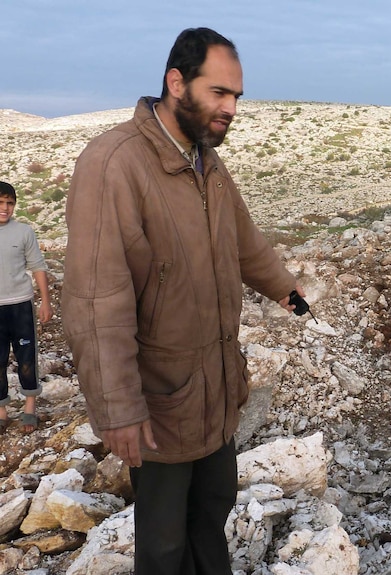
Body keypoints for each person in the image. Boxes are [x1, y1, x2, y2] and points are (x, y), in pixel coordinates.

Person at [62, 27, 304, 574]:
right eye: (220, 93)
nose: (231, 108)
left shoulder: (206, 163)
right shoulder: (114, 163)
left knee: (212, 511)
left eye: (237, 96)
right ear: (176, 82)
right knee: (165, 540)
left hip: (215, 388)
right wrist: (118, 409)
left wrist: (286, 290)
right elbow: (97, 300)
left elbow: (244, 242)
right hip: (160, 404)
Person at [0, 181, 53, 434]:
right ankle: (2, 411)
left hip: (21, 305)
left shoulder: (24, 232)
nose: (5, 208)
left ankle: (29, 409)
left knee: (26, 359)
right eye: (0, 202)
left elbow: (38, 266)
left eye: (10, 203)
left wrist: (45, 301)